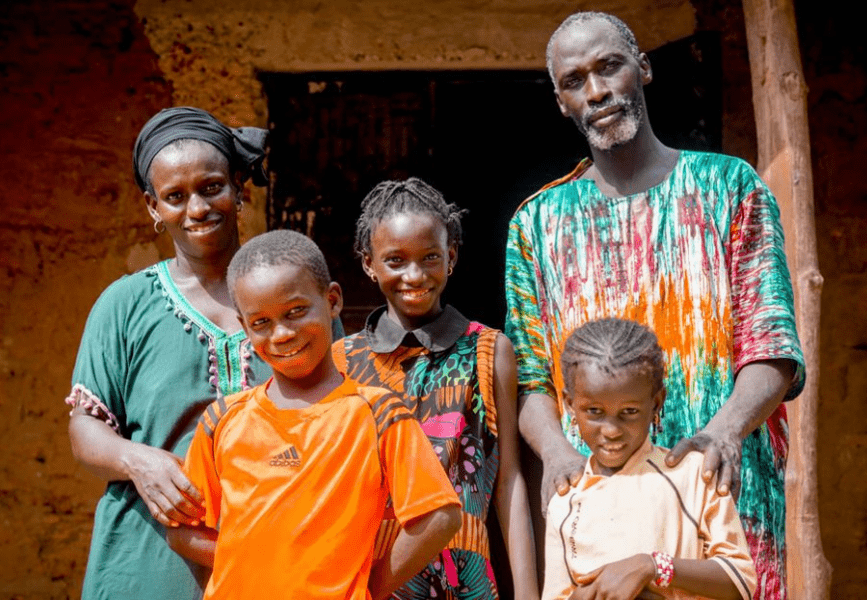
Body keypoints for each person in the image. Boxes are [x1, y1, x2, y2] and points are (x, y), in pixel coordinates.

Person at [504, 12, 805, 599]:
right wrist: (559, 452)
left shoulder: (730, 188)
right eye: (575, 81)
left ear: (642, 69)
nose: (597, 91)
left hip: (724, 497)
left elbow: (772, 346)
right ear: (562, 101)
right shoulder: (534, 224)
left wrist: (725, 431)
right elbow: (533, 380)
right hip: (602, 508)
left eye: (609, 66)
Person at [166, 229, 463, 599]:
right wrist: (257, 559)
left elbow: (439, 516)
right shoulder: (223, 419)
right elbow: (181, 529)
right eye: (261, 323)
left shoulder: (377, 414)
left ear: (332, 300)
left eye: (295, 312)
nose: (282, 334)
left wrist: (367, 585)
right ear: (244, 327)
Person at [65, 106, 274, 599]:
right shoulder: (126, 304)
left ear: (239, 187)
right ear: (152, 207)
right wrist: (138, 460)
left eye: (211, 187)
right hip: (149, 561)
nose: (197, 208)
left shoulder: (287, 294)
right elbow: (84, 429)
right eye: (175, 197)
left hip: (274, 552)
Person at [333, 178, 539, 600]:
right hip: (372, 576)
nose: (415, 275)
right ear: (369, 264)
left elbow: (508, 482)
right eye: (395, 260)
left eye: (430, 257)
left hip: (465, 580)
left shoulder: (489, 350)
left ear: (452, 256)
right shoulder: (343, 361)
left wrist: (528, 593)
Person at [542, 318, 756, 600]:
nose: (611, 430)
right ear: (569, 404)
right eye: (594, 411)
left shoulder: (693, 476)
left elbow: (740, 580)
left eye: (629, 411)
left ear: (655, 403)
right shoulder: (565, 503)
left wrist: (653, 566)